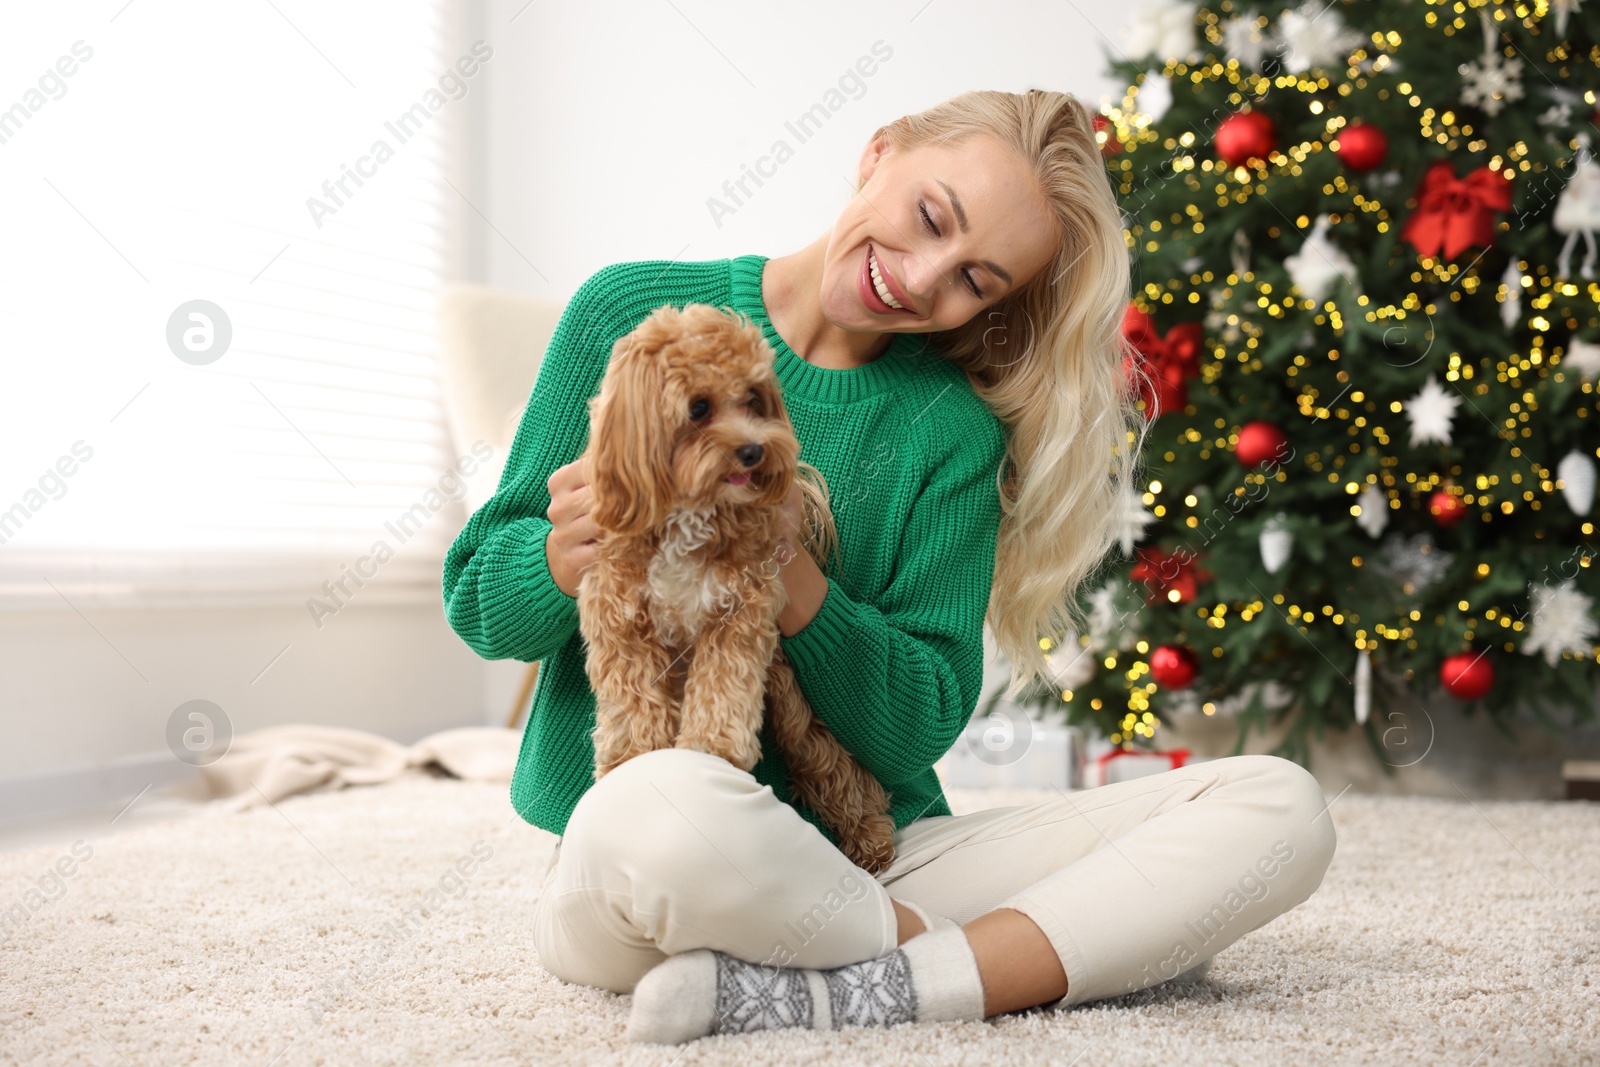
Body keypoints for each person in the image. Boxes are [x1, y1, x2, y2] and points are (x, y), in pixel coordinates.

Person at [442, 89, 1337, 1044]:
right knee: (663, 799)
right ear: (879, 153)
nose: (919, 279)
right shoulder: (631, 315)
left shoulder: (949, 428)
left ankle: (862, 985)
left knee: (1279, 807)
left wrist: (789, 568)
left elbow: (913, 728)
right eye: (929, 218)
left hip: (872, 860)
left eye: (974, 279)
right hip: (650, 848)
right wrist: (558, 559)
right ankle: (975, 958)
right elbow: (477, 605)